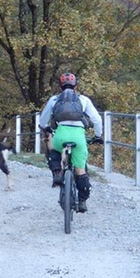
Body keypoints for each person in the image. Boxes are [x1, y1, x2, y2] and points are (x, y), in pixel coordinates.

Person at [39, 72, 104, 212]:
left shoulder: (54, 99)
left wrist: (46, 128)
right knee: (80, 170)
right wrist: (98, 135)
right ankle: (82, 201)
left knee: (54, 149)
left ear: (60, 86)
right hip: (78, 137)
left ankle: (57, 171)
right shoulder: (83, 100)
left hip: (60, 135)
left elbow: (42, 120)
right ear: (76, 86)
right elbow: (97, 120)